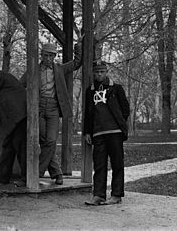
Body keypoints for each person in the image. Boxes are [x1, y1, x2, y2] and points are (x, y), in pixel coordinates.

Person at [20, 42, 81, 185]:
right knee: (45, 142)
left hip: (54, 108)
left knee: (51, 141)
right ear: (41, 55)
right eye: (45, 55)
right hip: (38, 109)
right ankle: (57, 173)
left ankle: (35, 173)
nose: (48, 58)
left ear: (54, 56)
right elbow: (19, 85)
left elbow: (77, 63)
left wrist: (78, 46)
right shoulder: (33, 69)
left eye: (51, 56)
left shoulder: (59, 69)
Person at [83, 59, 130, 206]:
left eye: (102, 72)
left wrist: (119, 123)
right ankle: (98, 195)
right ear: (93, 73)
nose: (99, 74)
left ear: (106, 72)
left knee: (117, 163)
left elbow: (125, 109)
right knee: (99, 165)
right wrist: (87, 132)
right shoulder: (90, 91)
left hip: (114, 132)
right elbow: (88, 113)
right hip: (98, 133)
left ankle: (116, 195)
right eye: (96, 72)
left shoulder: (116, 88)